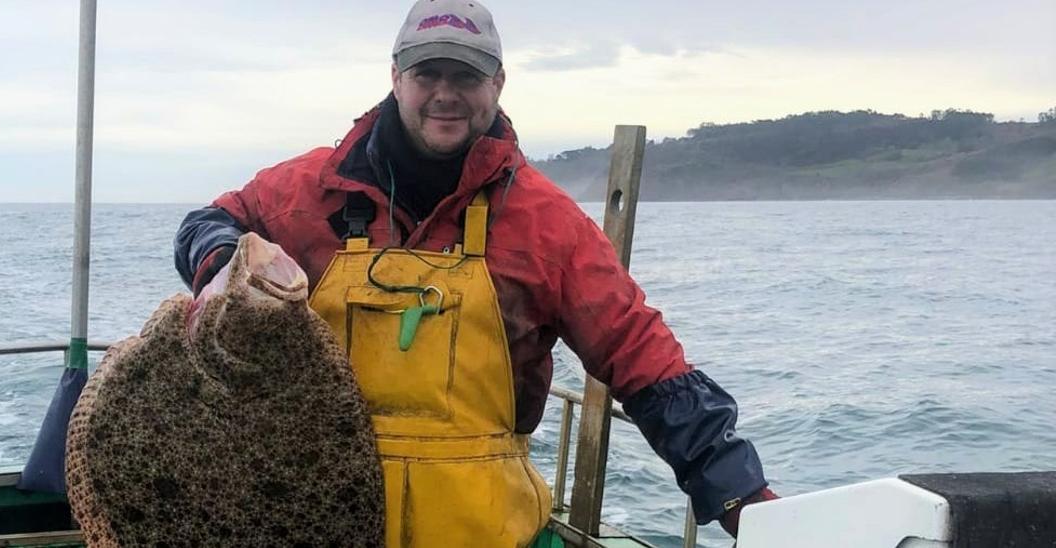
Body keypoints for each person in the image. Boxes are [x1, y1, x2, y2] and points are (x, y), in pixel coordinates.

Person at [174, 0, 777, 544]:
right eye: (426, 73)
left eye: (466, 75)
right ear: (394, 79)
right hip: (308, 521)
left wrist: (742, 496)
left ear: (498, 83)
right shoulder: (303, 190)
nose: (445, 93)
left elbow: (643, 357)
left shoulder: (548, 224)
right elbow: (208, 222)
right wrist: (224, 267)